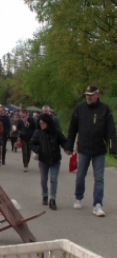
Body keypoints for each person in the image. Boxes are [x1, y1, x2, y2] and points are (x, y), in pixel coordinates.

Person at [66, 85, 116, 217]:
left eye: (91, 94)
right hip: (83, 148)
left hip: (99, 149)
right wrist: (69, 146)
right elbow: (72, 129)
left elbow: (110, 131)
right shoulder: (79, 109)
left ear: (97, 95)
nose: (88, 97)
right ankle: (78, 197)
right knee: (80, 176)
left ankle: (97, 204)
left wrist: (112, 147)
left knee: (99, 178)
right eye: (87, 94)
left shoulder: (104, 109)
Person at [30, 114, 68, 210]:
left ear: (48, 123)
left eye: (43, 123)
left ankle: (53, 199)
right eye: (40, 123)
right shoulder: (38, 132)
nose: (41, 125)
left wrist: (67, 148)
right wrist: (38, 149)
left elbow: (63, 141)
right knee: (44, 179)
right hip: (43, 160)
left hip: (55, 160)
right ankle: (45, 195)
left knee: (54, 180)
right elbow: (32, 143)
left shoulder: (56, 132)